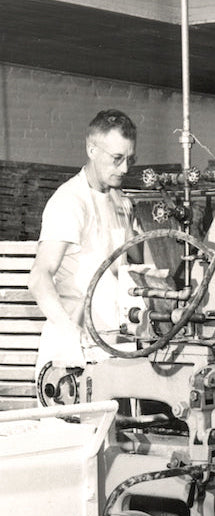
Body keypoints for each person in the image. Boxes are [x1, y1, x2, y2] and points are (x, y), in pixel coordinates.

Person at [29, 109, 142, 374]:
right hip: (75, 350)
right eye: (117, 158)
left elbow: (138, 264)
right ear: (92, 150)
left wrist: (126, 215)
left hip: (115, 344)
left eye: (129, 159)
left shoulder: (121, 202)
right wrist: (70, 333)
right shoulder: (70, 201)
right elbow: (38, 277)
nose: (124, 168)